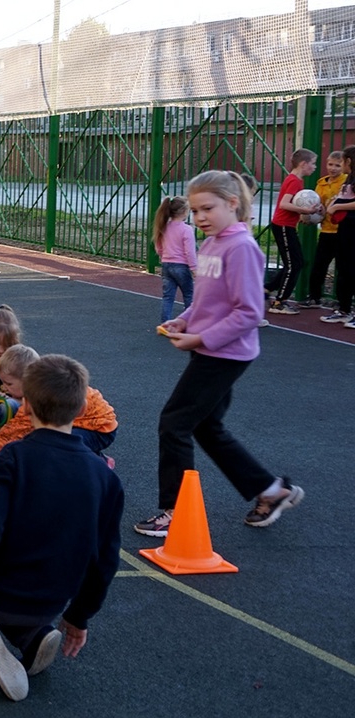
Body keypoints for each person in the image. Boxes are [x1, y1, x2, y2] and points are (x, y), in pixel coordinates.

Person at [0, 354, 123, 702]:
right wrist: (78, 617)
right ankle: (32, 638)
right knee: (24, 610)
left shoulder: (14, 457)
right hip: (54, 599)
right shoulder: (106, 477)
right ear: (81, 406)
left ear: (26, 404)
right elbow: (105, 560)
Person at [135, 170, 304, 538]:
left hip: (225, 354)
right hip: (212, 348)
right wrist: (182, 320)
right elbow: (208, 302)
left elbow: (248, 312)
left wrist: (200, 340)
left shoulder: (242, 248)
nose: (200, 218)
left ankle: (173, 510)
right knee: (207, 427)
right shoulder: (212, 244)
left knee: (174, 423)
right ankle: (272, 491)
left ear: (232, 203)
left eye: (207, 209)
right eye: (195, 211)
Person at [0, 345, 117, 483]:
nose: (3, 388)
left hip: (100, 429)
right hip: (86, 421)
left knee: (59, 445)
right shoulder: (40, 386)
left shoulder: (37, 397)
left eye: (8, 383)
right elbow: (11, 433)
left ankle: (98, 463)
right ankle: (93, 455)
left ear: (26, 380)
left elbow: (8, 434)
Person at [264, 149, 320, 314]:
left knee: (297, 263)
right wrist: (306, 211)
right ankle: (279, 302)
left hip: (286, 226)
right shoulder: (294, 181)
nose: (315, 167)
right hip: (282, 226)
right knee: (293, 265)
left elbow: (290, 206)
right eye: (313, 163)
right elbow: (284, 204)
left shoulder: (296, 180)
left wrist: (304, 215)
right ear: (304, 164)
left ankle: (267, 289)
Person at [302, 150, 347, 309]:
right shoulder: (321, 183)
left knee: (343, 268)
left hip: (342, 231)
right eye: (330, 164)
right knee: (319, 266)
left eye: (337, 165)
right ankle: (314, 297)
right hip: (326, 231)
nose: (333, 168)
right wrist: (317, 210)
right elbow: (318, 203)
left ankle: (343, 302)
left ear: (344, 166)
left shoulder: (346, 181)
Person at [153, 196, 198, 323]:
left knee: (168, 296)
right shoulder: (186, 229)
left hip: (167, 265)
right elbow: (190, 252)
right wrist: (194, 268)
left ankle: (164, 322)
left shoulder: (163, 227)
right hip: (181, 266)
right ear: (185, 211)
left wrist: (163, 257)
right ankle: (190, 322)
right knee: (188, 295)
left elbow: (158, 246)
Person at [322, 156, 355, 327]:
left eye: (342, 161)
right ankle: (344, 309)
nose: (340, 165)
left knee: (352, 269)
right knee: (344, 270)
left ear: (349, 161)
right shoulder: (349, 179)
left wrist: (337, 207)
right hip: (344, 228)